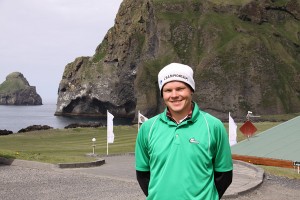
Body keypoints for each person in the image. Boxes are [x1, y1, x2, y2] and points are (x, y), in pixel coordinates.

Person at [135, 63, 233, 200]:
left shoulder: (213, 126)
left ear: (191, 90)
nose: (174, 95)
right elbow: (143, 174)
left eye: (180, 89)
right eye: (168, 90)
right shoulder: (147, 128)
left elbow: (224, 175)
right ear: (162, 94)